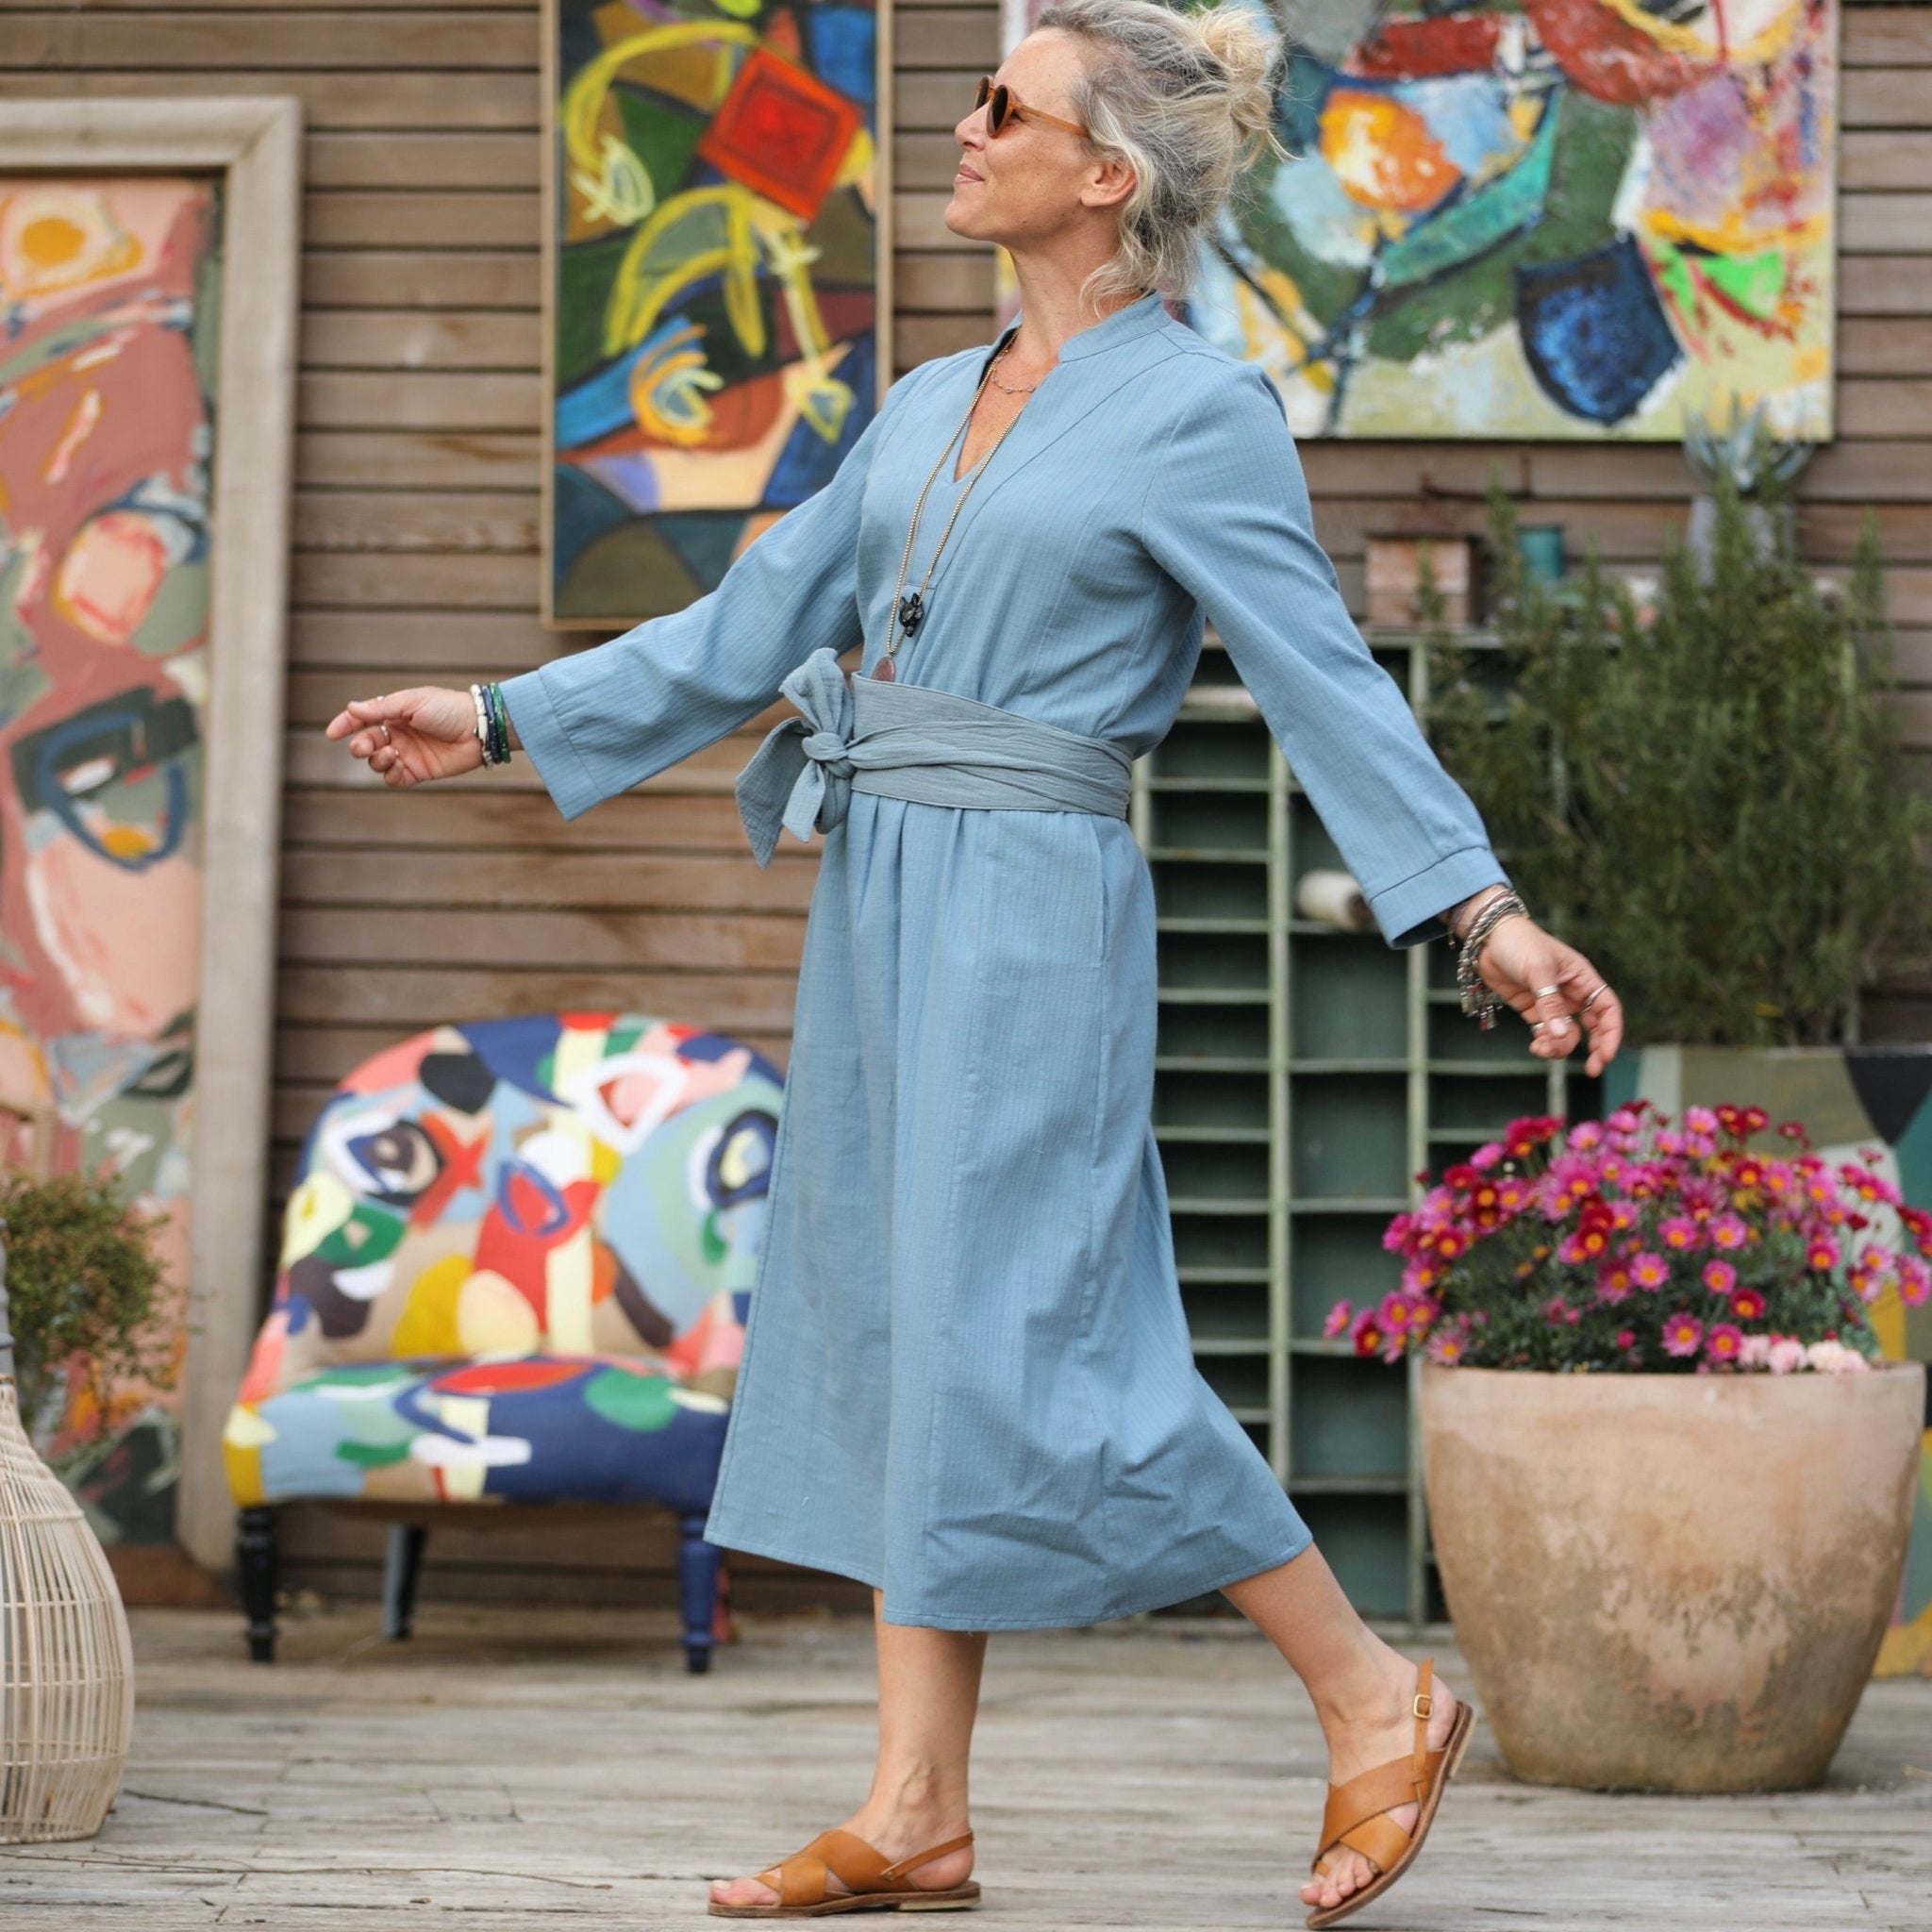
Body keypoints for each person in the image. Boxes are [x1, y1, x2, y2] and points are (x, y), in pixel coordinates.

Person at [325, 3, 1624, 1922]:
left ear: (1104, 174)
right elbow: (747, 626)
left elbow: (1324, 685)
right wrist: (503, 715)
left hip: (1029, 910)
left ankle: (1372, 1691)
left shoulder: (1199, 414)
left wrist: (1479, 911)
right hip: (876, 891)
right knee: (894, 1314)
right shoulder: (930, 398)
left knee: (1043, 1338)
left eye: (1003, 106)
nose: (964, 125)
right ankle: (917, 1802)